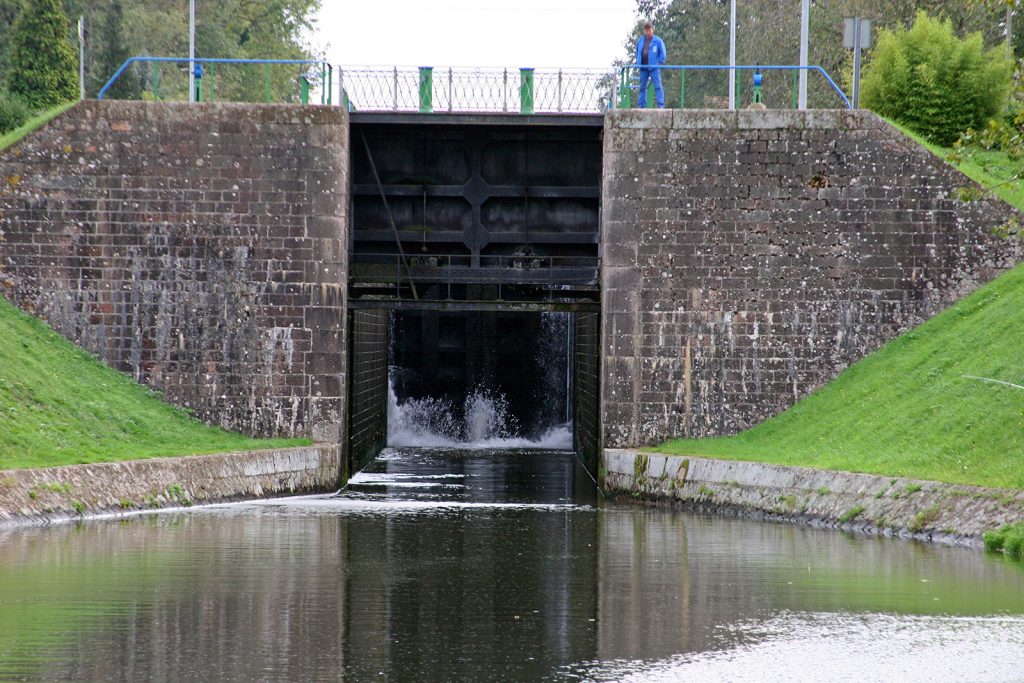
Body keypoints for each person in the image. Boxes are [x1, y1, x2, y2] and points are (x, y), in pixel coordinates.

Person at [635, 20, 667, 108]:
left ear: (652, 30)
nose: (648, 32)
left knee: (658, 86)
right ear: (644, 31)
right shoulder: (640, 41)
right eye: (646, 30)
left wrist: (659, 63)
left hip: (654, 68)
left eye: (649, 30)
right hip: (643, 68)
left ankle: (660, 105)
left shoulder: (658, 41)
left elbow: (663, 54)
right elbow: (637, 52)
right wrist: (638, 62)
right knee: (642, 88)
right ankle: (642, 106)